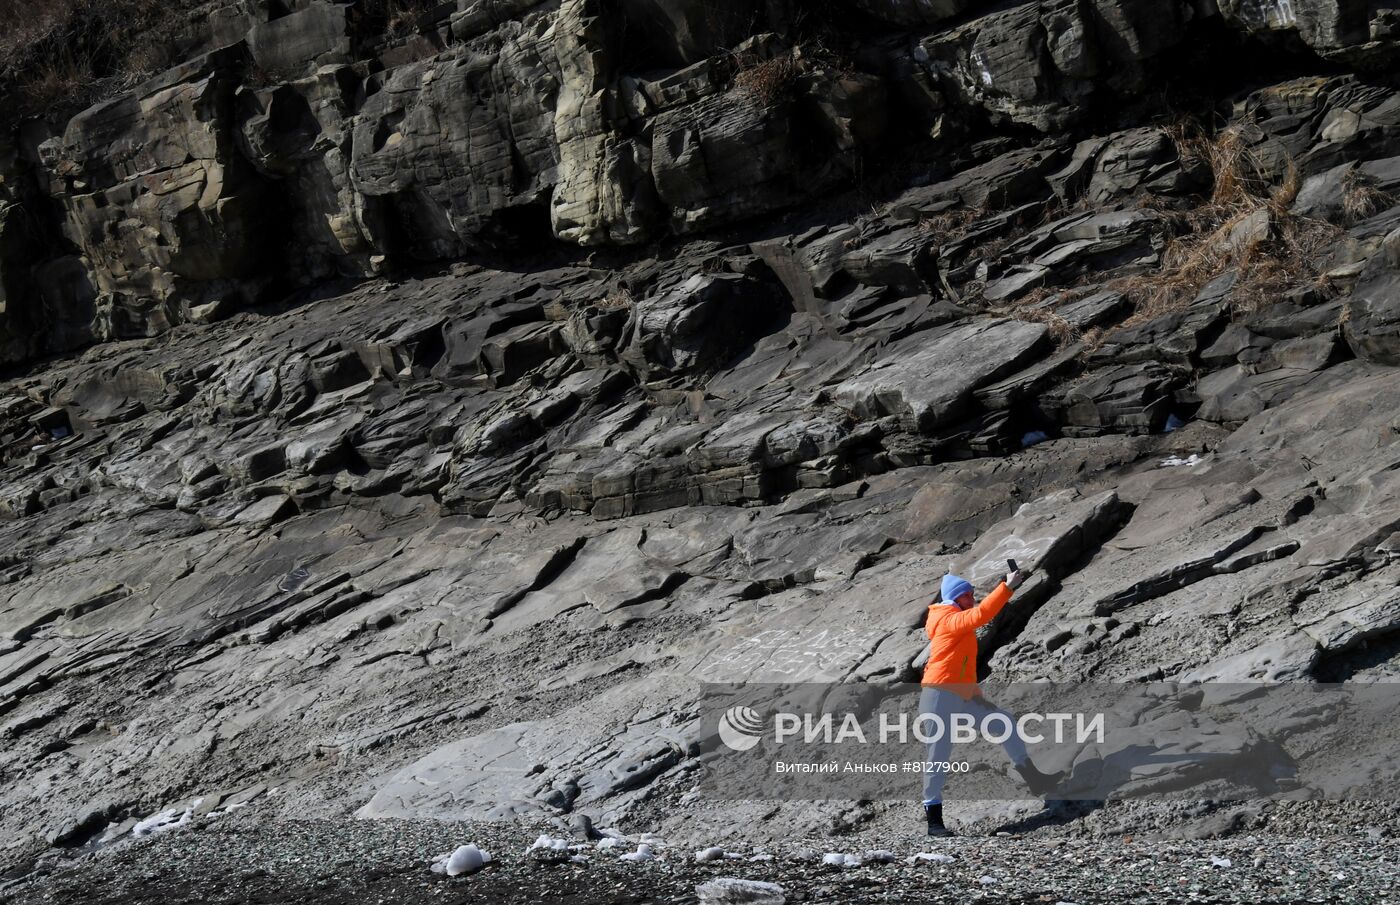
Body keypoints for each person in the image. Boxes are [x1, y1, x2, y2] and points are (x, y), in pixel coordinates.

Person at [919, 570, 1064, 837]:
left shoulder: (955, 620)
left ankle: (1033, 778)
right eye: (968, 596)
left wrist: (976, 695)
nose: (973, 599)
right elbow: (982, 615)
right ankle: (933, 820)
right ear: (955, 598)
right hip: (938, 695)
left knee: (1003, 722)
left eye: (973, 595)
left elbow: (961, 667)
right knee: (938, 757)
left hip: (959, 696)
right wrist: (1007, 587)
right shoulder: (947, 619)